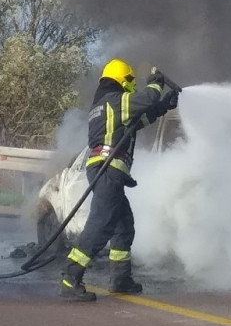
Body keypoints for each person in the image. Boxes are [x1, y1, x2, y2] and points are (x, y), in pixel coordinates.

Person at [59, 59, 179, 302]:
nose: (133, 86)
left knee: (124, 225)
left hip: (107, 172)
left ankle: (121, 279)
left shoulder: (106, 106)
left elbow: (138, 121)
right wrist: (156, 85)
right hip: (108, 171)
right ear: (122, 80)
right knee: (100, 225)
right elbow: (146, 100)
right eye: (131, 82)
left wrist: (164, 106)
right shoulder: (115, 101)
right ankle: (70, 278)